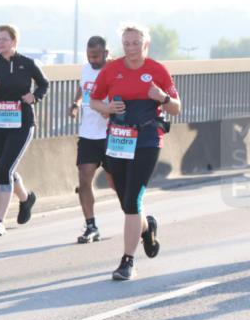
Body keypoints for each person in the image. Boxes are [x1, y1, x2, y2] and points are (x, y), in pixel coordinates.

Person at [90, 24, 181, 280]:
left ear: (146, 45)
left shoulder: (157, 71)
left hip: (147, 140)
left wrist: (162, 97)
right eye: (126, 43)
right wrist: (107, 108)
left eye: (135, 43)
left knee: (133, 200)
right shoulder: (112, 69)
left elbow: (176, 108)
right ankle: (147, 227)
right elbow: (94, 101)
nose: (130, 48)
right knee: (125, 200)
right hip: (118, 140)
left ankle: (127, 261)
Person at [0, 24, 48, 236]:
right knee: (5, 168)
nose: (0, 43)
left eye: (4, 39)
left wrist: (34, 97)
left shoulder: (27, 63)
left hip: (22, 122)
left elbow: (44, 84)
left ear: (14, 42)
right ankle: (26, 199)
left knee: (4, 171)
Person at [69, 35, 113, 243]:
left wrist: (109, 110)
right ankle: (91, 226)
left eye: (95, 56)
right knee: (84, 179)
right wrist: (76, 103)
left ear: (106, 53)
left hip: (110, 133)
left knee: (116, 183)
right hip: (88, 134)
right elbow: (83, 88)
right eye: (88, 56)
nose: (92, 60)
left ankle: (138, 221)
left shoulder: (114, 70)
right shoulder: (86, 68)